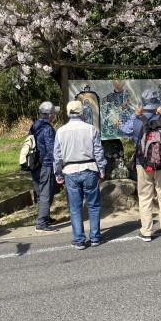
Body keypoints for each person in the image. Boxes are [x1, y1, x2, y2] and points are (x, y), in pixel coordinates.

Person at [120, 89, 161, 242]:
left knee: (145, 197)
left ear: (142, 103)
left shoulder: (136, 120)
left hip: (143, 164)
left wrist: (136, 114)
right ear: (157, 103)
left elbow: (124, 129)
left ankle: (146, 232)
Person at [53, 101, 107, 250]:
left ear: (68, 113)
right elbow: (98, 152)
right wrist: (101, 169)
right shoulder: (90, 129)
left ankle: (79, 240)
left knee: (75, 207)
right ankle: (95, 237)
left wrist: (58, 173)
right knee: (94, 205)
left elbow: (57, 156)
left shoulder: (61, 131)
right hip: (89, 168)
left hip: (70, 171)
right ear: (82, 113)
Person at [29, 101, 60, 232]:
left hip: (34, 163)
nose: (54, 115)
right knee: (46, 192)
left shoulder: (34, 125)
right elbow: (52, 149)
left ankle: (45, 216)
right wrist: (59, 164)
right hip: (45, 164)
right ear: (49, 114)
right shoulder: (47, 128)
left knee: (40, 192)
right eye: (54, 113)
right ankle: (41, 222)